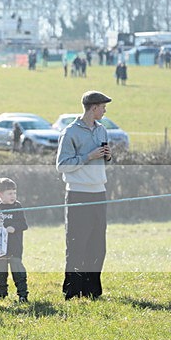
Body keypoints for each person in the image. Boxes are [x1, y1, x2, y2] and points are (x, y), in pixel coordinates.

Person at [56, 91, 112, 300]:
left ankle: (92, 291)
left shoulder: (102, 130)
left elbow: (103, 160)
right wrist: (88, 156)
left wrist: (107, 157)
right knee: (77, 243)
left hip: (100, 193)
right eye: (103, 107)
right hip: (78, 194)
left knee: (98, 245)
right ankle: (72, 291)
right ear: (94, 107)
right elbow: (62, 165)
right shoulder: (70, 132)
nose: (105, 111)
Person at [0, 178, 28, 302]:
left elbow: (24, 225)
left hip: (14, 246)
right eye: (9, 193)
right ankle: (1, 295)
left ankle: (22, 295)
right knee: (0, 271)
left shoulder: (17, 206)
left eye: (14, 193)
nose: (13, 196)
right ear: (0, 194)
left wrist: (14, 228)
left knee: (18, 270)